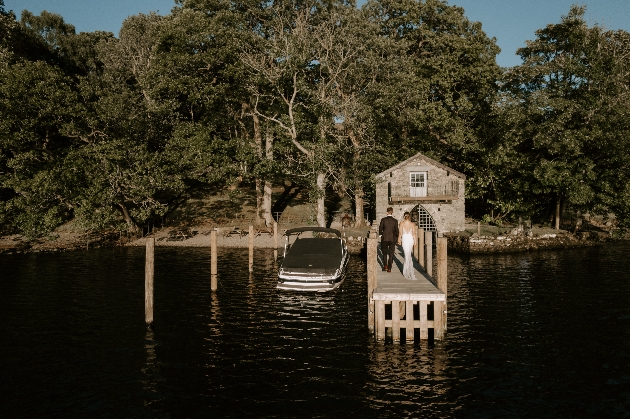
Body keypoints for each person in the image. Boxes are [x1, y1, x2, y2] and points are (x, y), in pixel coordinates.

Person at [398, 212, 417, 280]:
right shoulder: (412, 224)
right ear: (409, 217)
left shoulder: (401, 224)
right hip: (410, 239)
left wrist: (399, 240)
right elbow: (414, 234)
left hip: (405, 238)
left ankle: (406, 270)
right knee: (408, 254)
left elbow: (400, 233)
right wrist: (415, 242)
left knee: (407, 254)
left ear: (404, 217)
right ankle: (408, 270)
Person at [378, 207, 398, 273]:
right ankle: (389, 268)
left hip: (385, 238)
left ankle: (385, 265)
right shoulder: (395, 221)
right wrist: (396, 238)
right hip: (392, 238)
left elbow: (380, 228)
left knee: (384, 253)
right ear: (392, 212)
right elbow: (396, 230)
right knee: (391, 253)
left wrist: (380, 234)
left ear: (387, 212)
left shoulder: (383, 220)